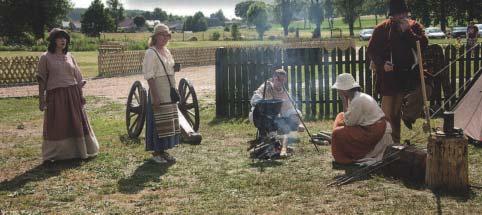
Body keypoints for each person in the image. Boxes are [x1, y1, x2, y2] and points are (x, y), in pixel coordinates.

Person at [367, 0, 429, 143]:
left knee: (395, 113)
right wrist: (382, 64)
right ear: (392, 15)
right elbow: (372, 51)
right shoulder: (381, 28)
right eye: (398, 14)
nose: (401, 16)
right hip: (388, 77)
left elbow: (423, 44)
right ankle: (384, 143)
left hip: (405, 76)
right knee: (386, 114)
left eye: (403, 13)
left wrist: (408, 31)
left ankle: (395, 142)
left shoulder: (414, 26)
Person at [37, 28, 99, 162]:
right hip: (55, 95)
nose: (63, 40)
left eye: (65, 38)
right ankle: (55, 155)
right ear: (53, 40)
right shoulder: (45, 57)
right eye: (59, 38)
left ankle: (79, 151)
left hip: (72, 94)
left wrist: (80, 95)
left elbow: (78, 77)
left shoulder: (70, 56)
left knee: (76, 123)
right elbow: (41, 80)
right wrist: (41, 100)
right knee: (57, 124)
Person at [331, 73, 393, 165]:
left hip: (374, 131)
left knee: (337, 133)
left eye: (339, 89)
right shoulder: (358, 96)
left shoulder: (357, 100)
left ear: (344, 90)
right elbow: (347, 117)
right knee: (340, 116)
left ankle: (349, 155)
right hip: (372, 126)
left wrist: (344, 102)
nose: (338, 91)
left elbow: (349, 123)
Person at [142, 23, 180, 164]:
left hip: (168, 91)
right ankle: (156, 152)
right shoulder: (151, 53)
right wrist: (155, 96)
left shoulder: (167, 51)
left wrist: (174, 69)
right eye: (162, 35)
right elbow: (149, 76)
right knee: (158, 122)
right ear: (156, 37)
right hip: (158, 91)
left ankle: (164, 151)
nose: (165, 38)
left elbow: (166, 69)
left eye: (167, 35)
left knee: (167, 122)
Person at [249, 69, 304, 157]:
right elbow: (254, 98)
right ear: (273, 78)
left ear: (285, 80)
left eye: (282, 80)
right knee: (263, 116)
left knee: (294, 113)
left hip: (275, 119)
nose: (280, 82)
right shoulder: (266, 87)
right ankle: (264, 135)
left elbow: (292, 109)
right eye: (278, 79)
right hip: (260, 116)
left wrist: (299, 123)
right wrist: (262, 101)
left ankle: (275, 140)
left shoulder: (284, 92)